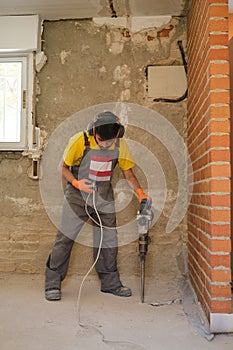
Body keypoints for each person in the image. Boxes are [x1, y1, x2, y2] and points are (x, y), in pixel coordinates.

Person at [45, 111, 151, 301]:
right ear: (94, 132)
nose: (105, 144)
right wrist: (76, 183)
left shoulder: (120, 144)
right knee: (65, 238)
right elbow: (63, 167)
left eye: (109, 141)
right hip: (77, 196)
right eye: (102, 140)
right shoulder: (80, 140)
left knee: (108, 238)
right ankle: (53, 283)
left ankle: (110, 283)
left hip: (103, 196)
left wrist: (140, 192)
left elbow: (128, 174)